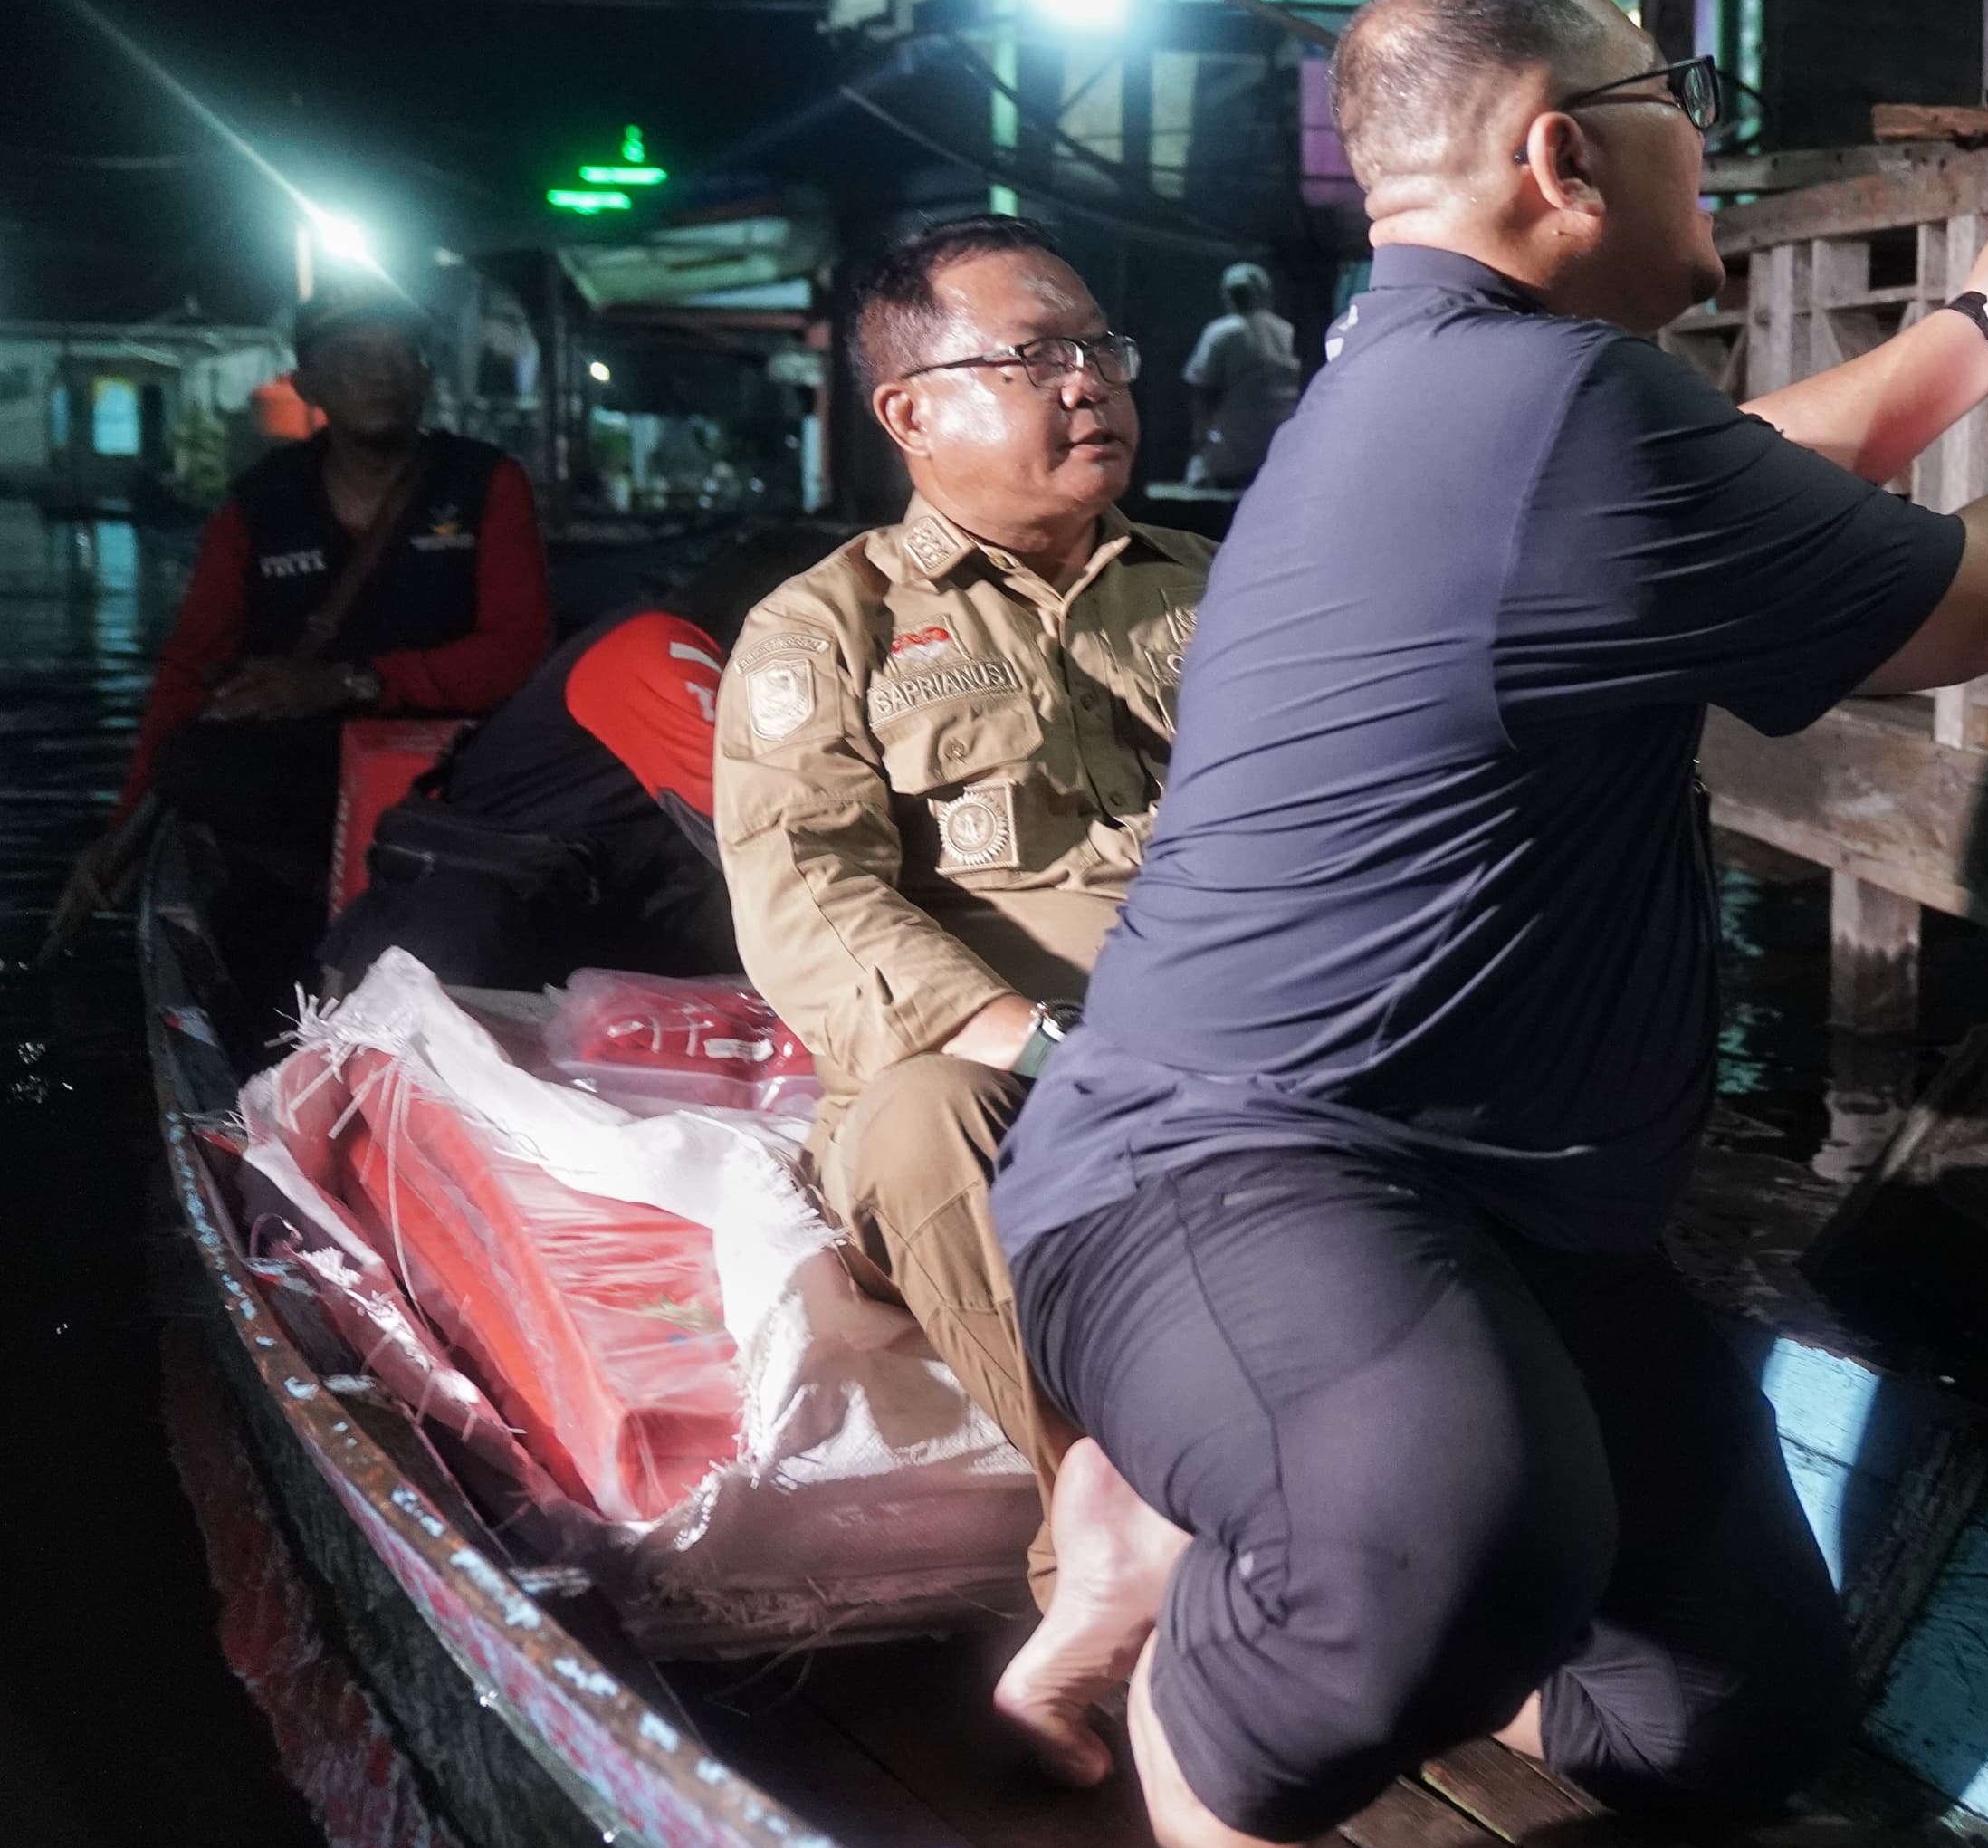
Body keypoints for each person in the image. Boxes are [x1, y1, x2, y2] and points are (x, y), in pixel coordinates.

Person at [982, 0, 1988, 1848]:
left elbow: (1781, 470)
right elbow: (1980, 602)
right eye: (1687, 111)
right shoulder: (1543, 405)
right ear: (1565, 153)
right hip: (1230, 1173)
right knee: (1456, 1533)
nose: (1709, 159)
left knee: (1723, 1724)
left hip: (1509, 1214)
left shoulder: (1455, 387)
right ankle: (1206, 1753)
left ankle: (1253, 1534)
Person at [712, 216, 1217, 1599]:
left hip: (1234, 1038)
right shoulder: (829, 626)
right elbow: (808, 892)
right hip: (998, 1075)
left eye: (1103, 349)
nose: (1091, 383)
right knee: (923, 1120)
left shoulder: (1222, 589)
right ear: (913, 410)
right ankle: (1096, 1532)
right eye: (1037, 355)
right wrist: (1048, 1046)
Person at [69, 281, 550, 989]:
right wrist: (122, 827)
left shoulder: (485, 484)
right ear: (308, 383)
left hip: (452, 766)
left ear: (424, 374)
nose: (381, 370)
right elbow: (190, 669)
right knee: (198, 766)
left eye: (398, 353)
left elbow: (518, 651)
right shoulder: (259, 505)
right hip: (299, 790)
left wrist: (355, 680)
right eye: (353, 354)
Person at [320, 521, 843, 991]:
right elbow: (777, 830)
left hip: (540, 942)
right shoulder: (656, 649)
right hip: (447, 962)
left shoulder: (736, 674)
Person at [1180, 259, 1300, 488]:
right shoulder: (1289, 333)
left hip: (1231, 460)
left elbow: (1200, 391)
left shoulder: (1221, 332)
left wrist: (1199, 439)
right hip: (1283, 452)